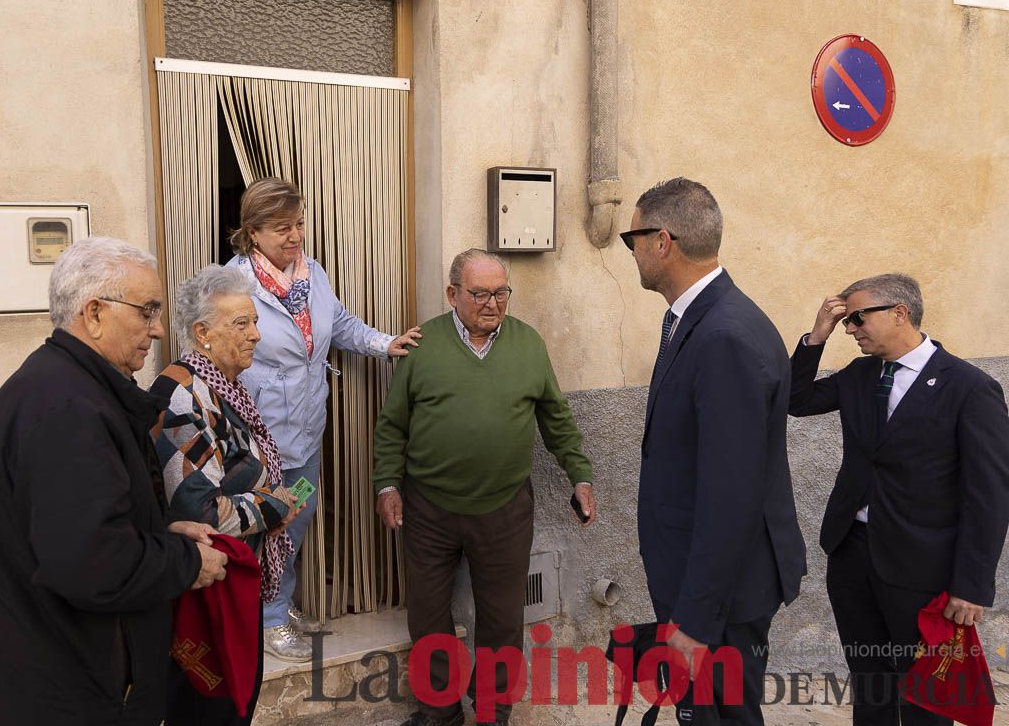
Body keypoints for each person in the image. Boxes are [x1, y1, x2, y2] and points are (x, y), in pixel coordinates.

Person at [0, 237, 228, 726]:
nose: (156, 329)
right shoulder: (69, 409)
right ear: (94, 313)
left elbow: (86, 528)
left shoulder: (69, 388)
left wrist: (158, 535)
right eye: (147, 311)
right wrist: (186, 561)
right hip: (47, 697)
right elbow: (93, 565)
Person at [372, 248, 597, 726]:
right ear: (453, 294)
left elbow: (557, 419)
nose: (492, 303)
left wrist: (579, 475)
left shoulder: (528, 345)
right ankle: (441, 710)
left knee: (501, 620)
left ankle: (494, 711)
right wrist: (387, 484)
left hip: (504, 509)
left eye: (501, 293)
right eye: (480, 294)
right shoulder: (422, 346)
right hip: (429, 509)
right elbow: (393, 426)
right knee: (429, 615)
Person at [622, 178, 806, 724]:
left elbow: (732, 495)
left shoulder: (726, 335)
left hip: (721, 596)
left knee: (722, 716)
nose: (629, 252)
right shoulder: (696, 317)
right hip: (704, 582)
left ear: (662, 241)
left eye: (631, 238)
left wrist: (697, 621)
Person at [789, 273, 1009, 725]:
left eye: (856, 318)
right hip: (852, 553)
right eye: (846, 321)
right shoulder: (860, 374)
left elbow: (989, 496)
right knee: (870, 682)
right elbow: (797, 400)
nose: (850, 328)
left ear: (899, 313)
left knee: (924, 693)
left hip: (921, 566)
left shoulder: (970, 388)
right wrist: (816, 337)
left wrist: (972, 586)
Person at [225, 177, 421, 661]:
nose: (294, 236)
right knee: (262, 523)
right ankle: (264, 619)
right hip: (258, 434)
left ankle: (277, 601)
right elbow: (216, 347)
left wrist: (385, 343)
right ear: (253, 234)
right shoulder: (231, 284)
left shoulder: (312, 272)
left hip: (308, 429)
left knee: (298, 517)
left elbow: (340, 323)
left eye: (298, 224)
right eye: (280, 228)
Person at [150, 263, 306, 725]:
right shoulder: (183, 396)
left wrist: (265, 506)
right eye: (242, 323)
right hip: (204, 596)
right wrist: (272, 505)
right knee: (211, 711)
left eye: (255, 321)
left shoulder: (221, 386)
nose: (256, 335)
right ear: (203, 333)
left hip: (233, 584)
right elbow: (201, 510)